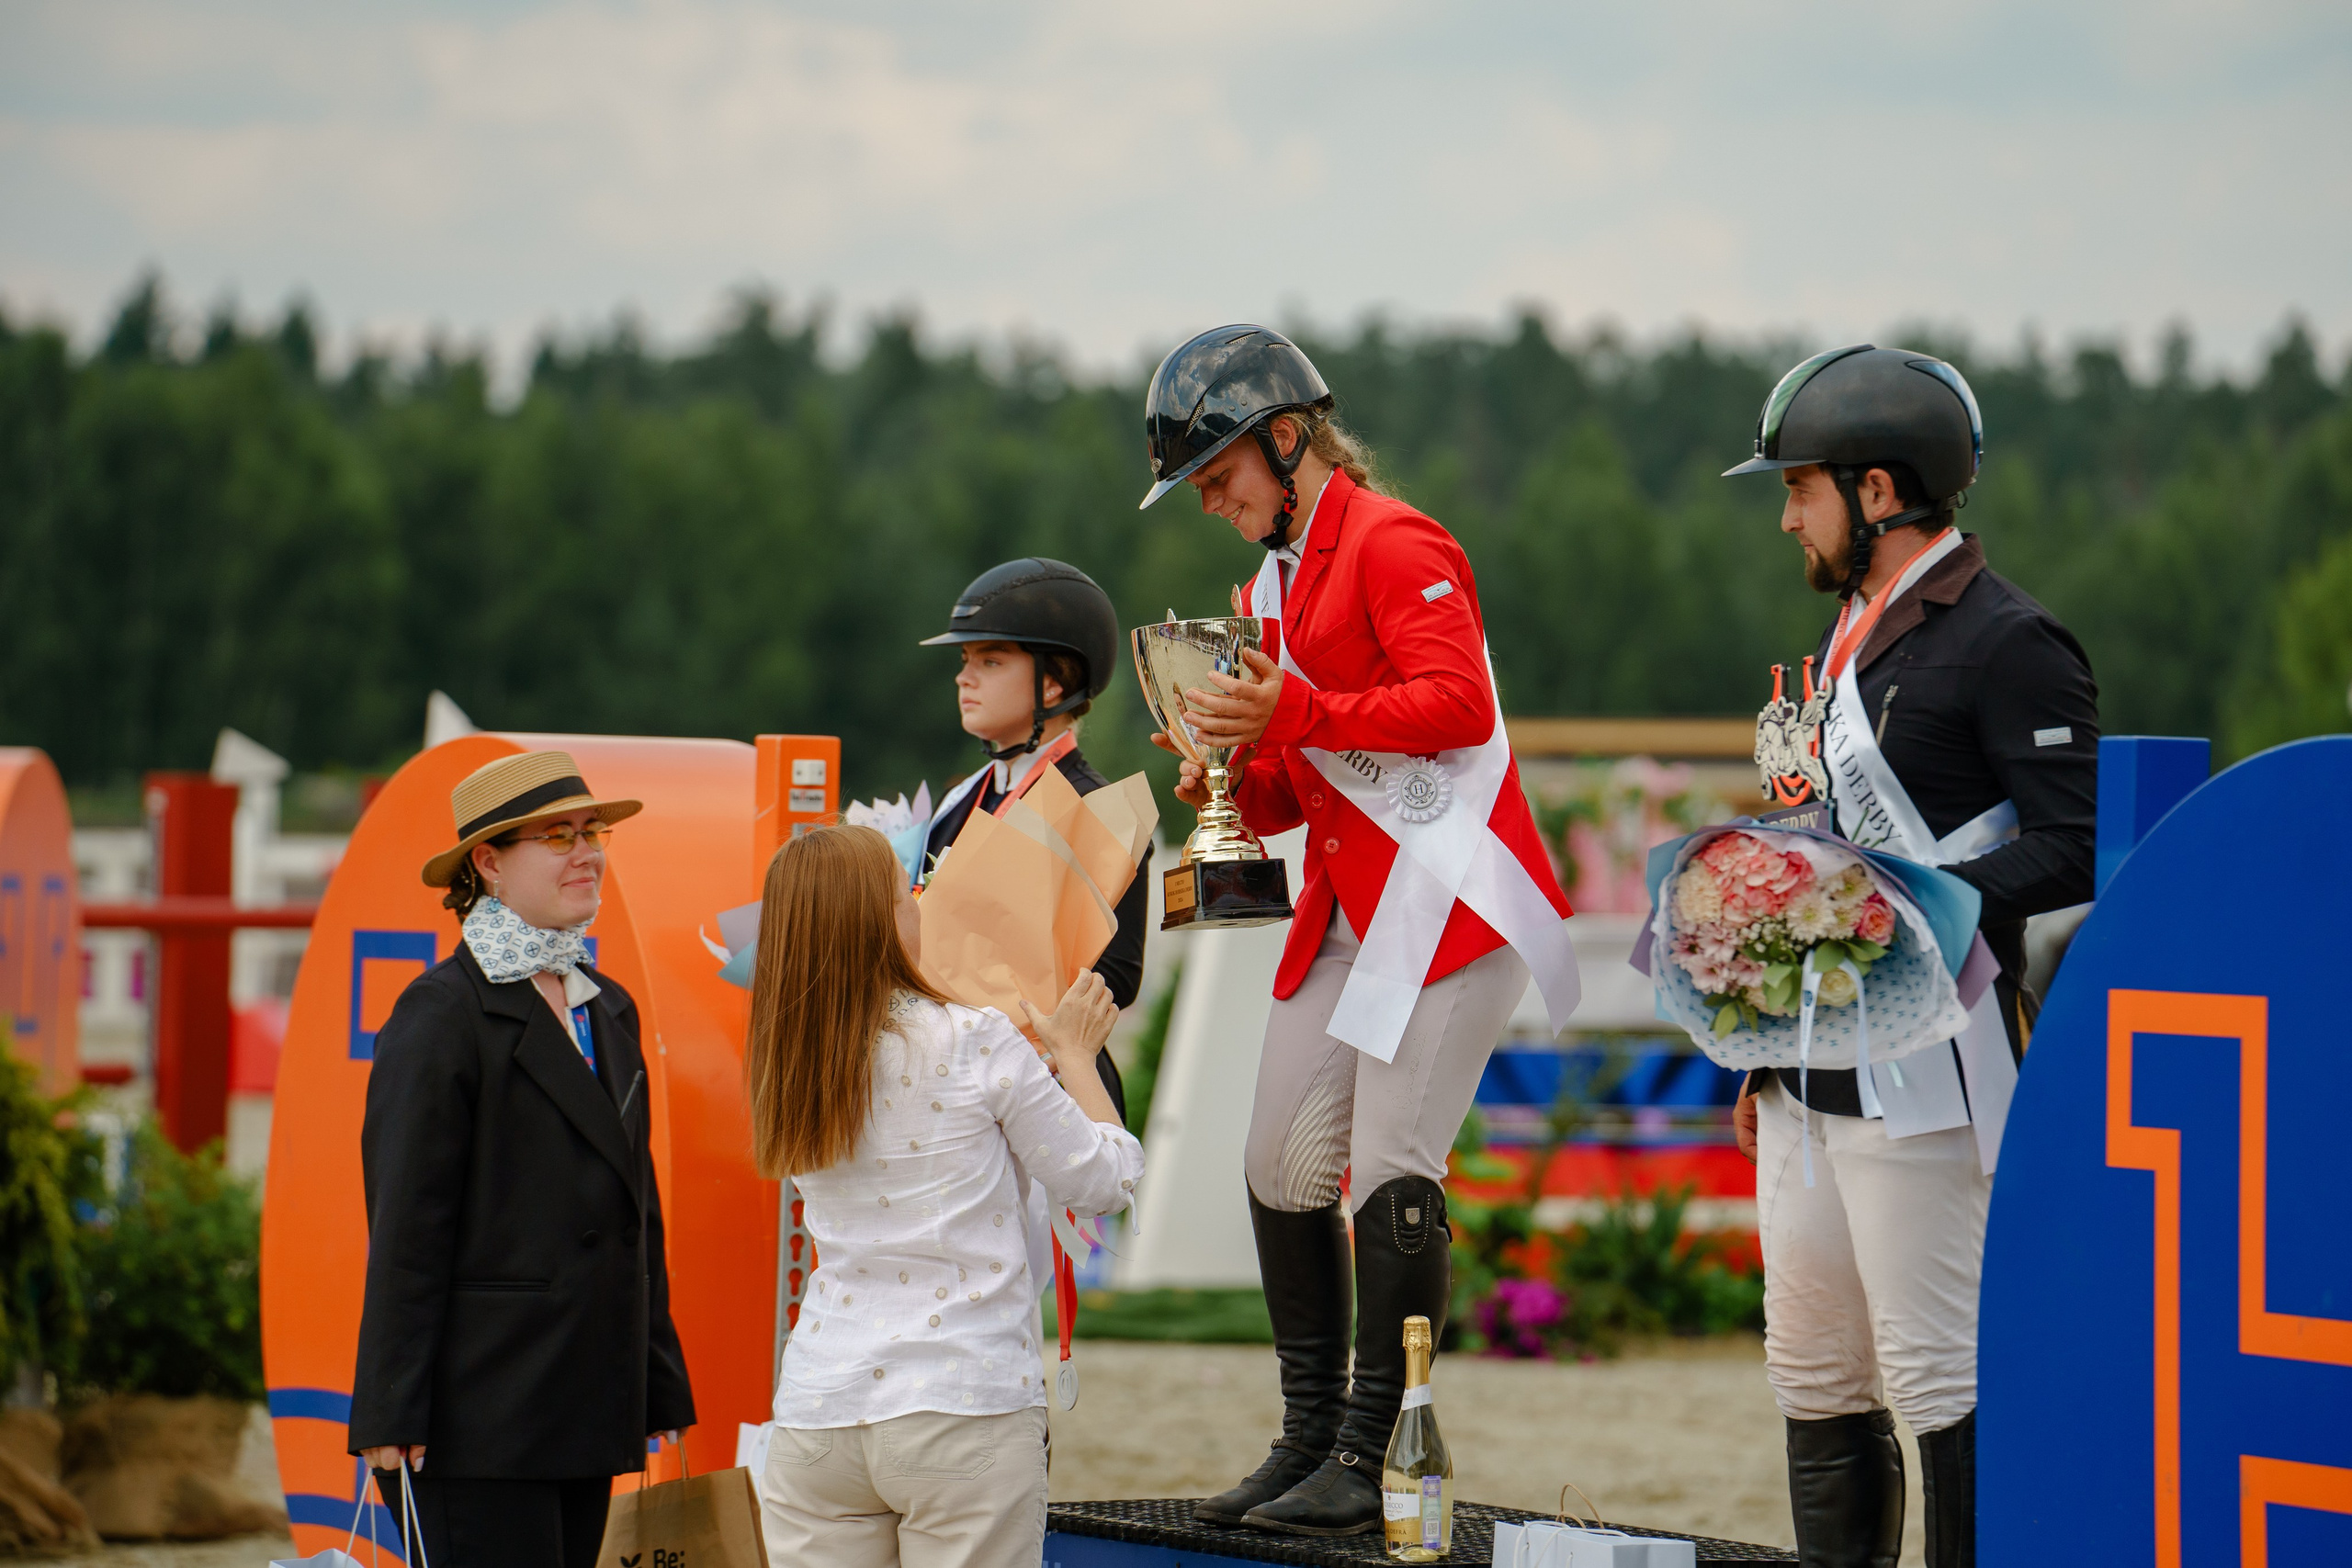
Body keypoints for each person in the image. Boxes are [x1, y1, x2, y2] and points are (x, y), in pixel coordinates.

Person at [1139, 324, 1580, 1538]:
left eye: (1219, 474)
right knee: (1278, 1159)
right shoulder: (1264, 587)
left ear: (1287, 435)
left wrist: (1300, 706)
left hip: (1448, 906)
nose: (1213, 503)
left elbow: (1454, 704)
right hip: (1348, 903)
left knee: (1390, 1164)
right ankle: (1305, 1432)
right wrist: (1232, 774)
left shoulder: (1397, 539)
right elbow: (1305, 777)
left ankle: (1381, 1444)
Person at [1722, 345, 2099, 1568]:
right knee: (1814, 1363)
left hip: (1931, 1064)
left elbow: (2073, 845)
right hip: (1812, 1063)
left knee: (1938, 1370)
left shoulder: (2011, 638)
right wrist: (1765, 1046)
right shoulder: (1843, 636)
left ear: (1879, 492)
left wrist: (1914, 902)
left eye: (1799, 490)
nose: (1784, 518)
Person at [747, 824, 1142, 1568]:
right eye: (906, 894)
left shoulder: (787, 1060)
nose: (920, 907)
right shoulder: (973, 1040)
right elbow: (1104, 1180)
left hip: (818, 1409)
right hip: (964, 1399)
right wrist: (1076, 1055)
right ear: (878, 921)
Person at [350, 750, 695, 1568]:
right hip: (479, 1412)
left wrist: (658, 1375)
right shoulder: (440, 1013)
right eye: (557, 836)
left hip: (587, 1397)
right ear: (489, 861)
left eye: (592, 831)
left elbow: (632, 1211)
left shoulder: (605, 1005)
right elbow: (406, 1225)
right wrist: (390, 1411)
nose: (586, 852)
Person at [917, 558, 1145, 1120]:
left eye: (989, 661)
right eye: (966, 660)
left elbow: (1116, 977)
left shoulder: (1097, 809)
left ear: (1054, 680)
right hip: (945, 1085)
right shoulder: (955, 803)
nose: (963, 677)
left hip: (1048, 1095)